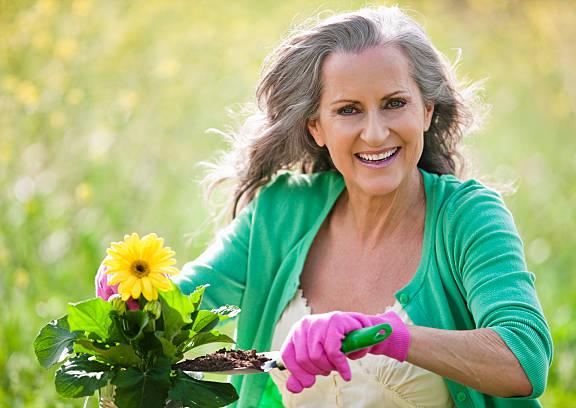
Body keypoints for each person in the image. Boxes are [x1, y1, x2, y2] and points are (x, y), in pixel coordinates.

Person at [174, 6, 553, 408]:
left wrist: (383, 335)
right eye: (348, 110)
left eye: (394, 103)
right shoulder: (279, 210)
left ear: (426, 110)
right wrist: (133, 295)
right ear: (315, 127)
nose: (375, 133)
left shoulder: (468, 217)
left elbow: (524, 359)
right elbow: (186, 302)